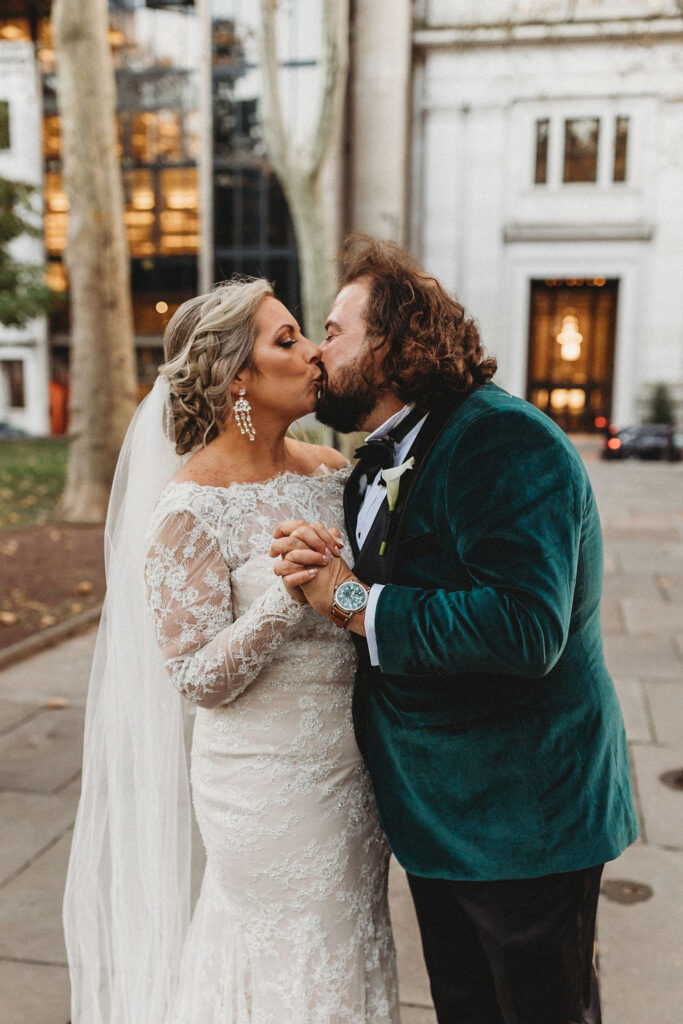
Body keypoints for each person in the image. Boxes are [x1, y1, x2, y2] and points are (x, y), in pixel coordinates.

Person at [273, 235, 639, 1024]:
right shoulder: (375, 459)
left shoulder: (503, 441)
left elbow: (520, 626)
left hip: (523, 820)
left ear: (393, 348)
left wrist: (350, 603)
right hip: (438, 818)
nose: (317, 348)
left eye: (334, 330)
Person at [63, 278, 399, 1024]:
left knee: (349, 944)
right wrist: (287, 599)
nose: (314, 353)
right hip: (264, 788)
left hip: (352, 775)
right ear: (236, 377)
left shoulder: (331, 472)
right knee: (287, 960)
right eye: (286, 341)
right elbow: (195, 677)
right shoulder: (189, 508)